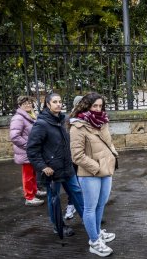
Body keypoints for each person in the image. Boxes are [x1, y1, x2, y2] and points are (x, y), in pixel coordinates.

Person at [27, 93, 84, 237]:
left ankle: (87, 218)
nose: (58, 104)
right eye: (54, 102)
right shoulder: (41, 124)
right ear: (47, 104)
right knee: (54, 198)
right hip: (51, 171)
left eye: (60, 101)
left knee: (77, 192)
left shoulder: (64, 120)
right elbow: (32, 149)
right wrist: (43, 167)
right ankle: (58, 226)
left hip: (67, 167)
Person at [69, 92, 117, 257]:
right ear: (86, 106)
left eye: (100, 106)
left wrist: (113, 154)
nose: (98, 109)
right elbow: (77, 156)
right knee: (90, 208)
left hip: (106, 170)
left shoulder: (102, 121)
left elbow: (108, 142)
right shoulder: (77, 126)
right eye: (94, 106)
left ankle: (97, 232)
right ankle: (94, 242)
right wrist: (96, 167)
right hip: (90, 173)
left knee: (101, 204)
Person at [10, 96, 45, 206]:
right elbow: (14, 137)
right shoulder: (18, 118)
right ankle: (29, 197)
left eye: (29, 103)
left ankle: (34, 191)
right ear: (20, 105)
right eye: (25, 103)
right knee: (28, 175)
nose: (28, 105)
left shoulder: (31, 115)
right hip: (26, 152)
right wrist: (29, 146)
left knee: (33, 173)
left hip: (32, 151)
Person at [64, 95, 83, 220]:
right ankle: (71, 206)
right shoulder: (69, 120)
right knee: (75, 185)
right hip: (73, 157)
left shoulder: (90, 118)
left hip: (85, 156)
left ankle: (83, 209)